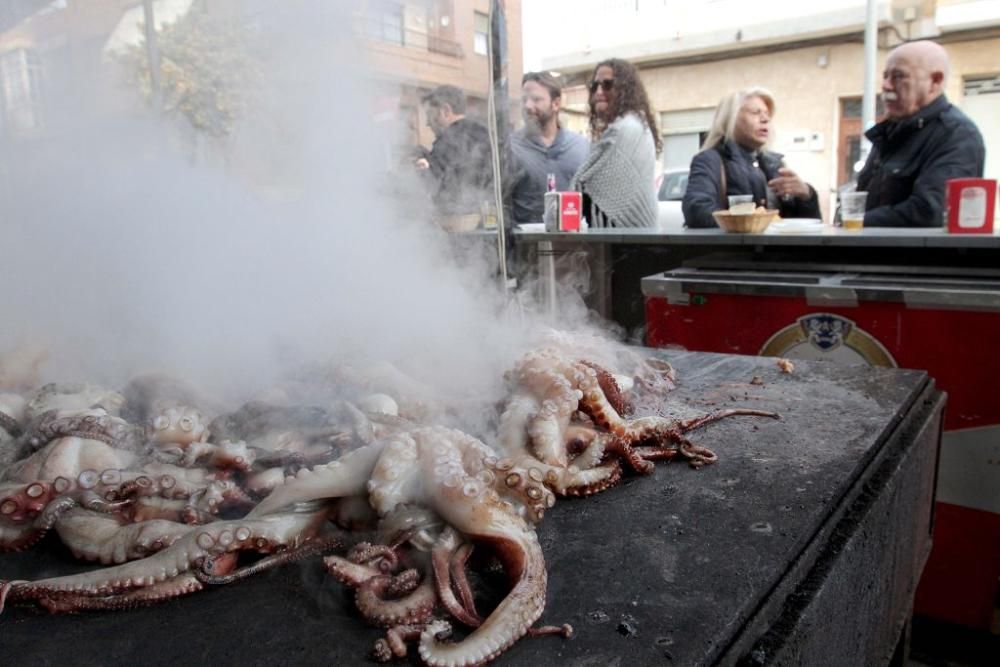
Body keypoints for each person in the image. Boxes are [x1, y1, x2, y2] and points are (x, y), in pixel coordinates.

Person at [856, 40, 985, 227]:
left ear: (935, 81)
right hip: (871, 254)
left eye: (898, 77)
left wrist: (854, 223)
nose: (886, 86)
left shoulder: (957, 134)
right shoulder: (892, 131)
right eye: (885, 76)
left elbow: (929, 211)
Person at [682, 87, 821, 228]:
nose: (765, 119)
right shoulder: (710, 160)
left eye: (767, 114)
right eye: (756, 113)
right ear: (731, 117)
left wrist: (806, 195)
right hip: (735, 250)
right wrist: (755, 220)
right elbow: (696, 211)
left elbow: (806, 229)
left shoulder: (775, 164)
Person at [570, 58, 659, 228]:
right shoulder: (633, 124)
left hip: (629, 243)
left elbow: (586, 185)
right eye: (594, 86)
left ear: (625, 90)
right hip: (628, 238)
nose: (599, 92)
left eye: (608, 85)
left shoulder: (626, 129)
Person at [507, 72, 589, 223]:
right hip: (526, 244)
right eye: (524, 100)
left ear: (556, 104)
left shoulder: (581, 147)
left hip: (572, 242)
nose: (528, 106)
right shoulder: (510, 147)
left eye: (536, 99)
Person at [415, 85, 493, 216]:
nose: (427, 123)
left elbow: (438, 188)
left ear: (445, 111)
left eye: (429, 115)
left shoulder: (447, 143)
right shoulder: (486, 134)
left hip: (460, 226)